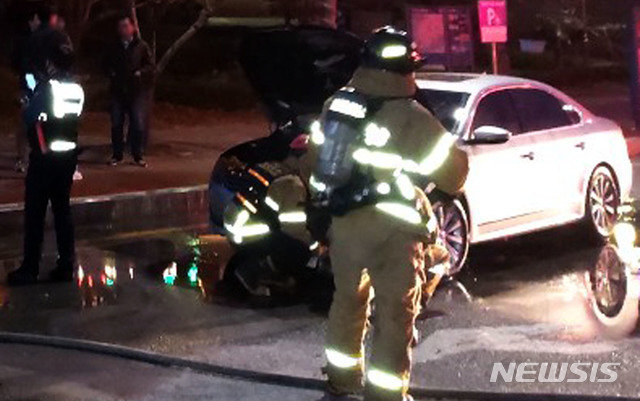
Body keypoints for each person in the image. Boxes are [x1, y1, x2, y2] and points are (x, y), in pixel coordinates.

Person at [304, 27, 469, 401]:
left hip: (343, 226)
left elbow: (311, 161)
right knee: (395, 316)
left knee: (347, 301)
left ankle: (342, 379)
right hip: (394, 231)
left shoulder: (336, 106)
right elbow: (455, 176)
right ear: (409, 68)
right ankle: (386, 394)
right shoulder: (411, 116)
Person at [7, 5, 81, 286]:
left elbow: (29, 115)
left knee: (35, 214)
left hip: (44, 155)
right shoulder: (75, 88)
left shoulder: (46, 89)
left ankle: (30, 268)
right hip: (67, 156)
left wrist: (28, 99)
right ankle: (66, 265)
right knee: (63, 212)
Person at [103, 15, 155, 167]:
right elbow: (104, 64)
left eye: (126, 26)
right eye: (121, 26)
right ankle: (117, 155)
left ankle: (137, 155)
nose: (123, 29)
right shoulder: (113, 46)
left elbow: (150, 65)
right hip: (118, 89)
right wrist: (111, 73)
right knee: (116, 123)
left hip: (136, 90)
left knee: (137, 123)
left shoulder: (141, 46)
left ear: (132, 27)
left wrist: (140, 73)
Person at [10, 9, 42, 173]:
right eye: (36, 19)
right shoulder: (24, 41)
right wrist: (29, 82)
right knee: (24, 122)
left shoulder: (46, 39)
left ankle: (40, 158)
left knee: (43, 124)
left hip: (44, 86)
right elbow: (19, 64)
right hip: (28, 86)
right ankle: (22, 158)